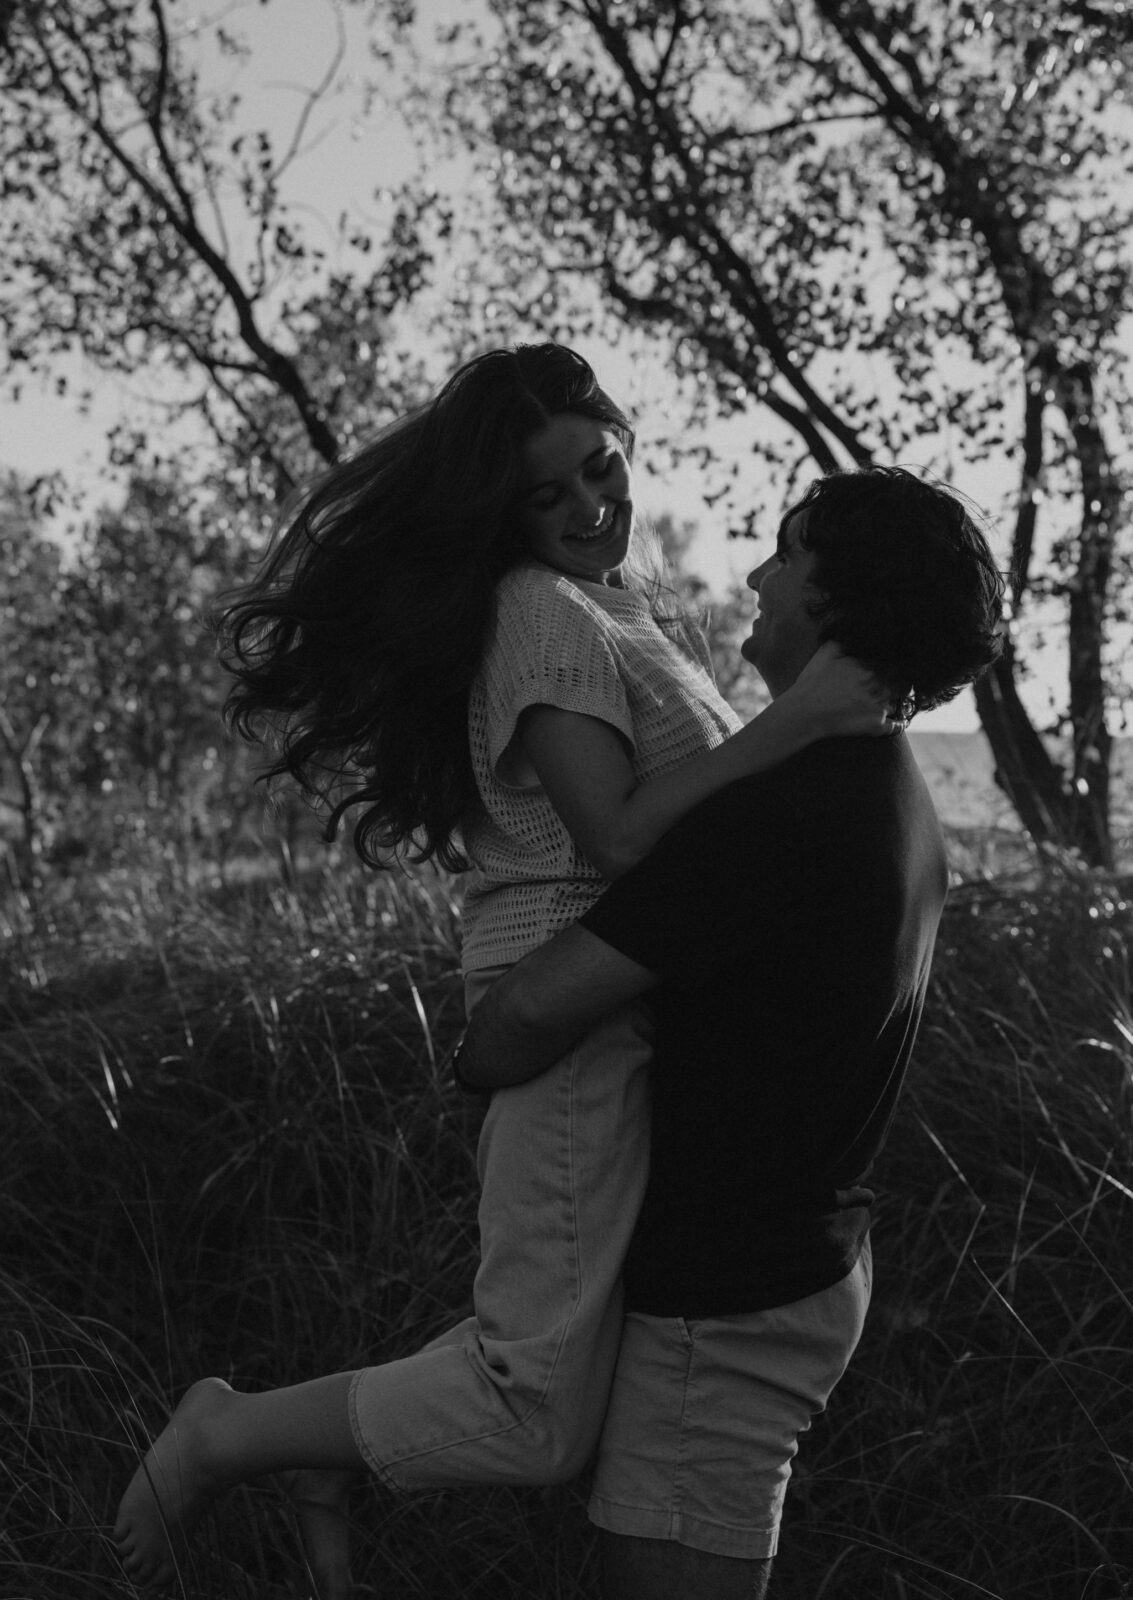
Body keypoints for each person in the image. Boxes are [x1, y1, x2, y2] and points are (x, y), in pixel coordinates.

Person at [114, 345, 892, 1595]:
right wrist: (795, 721)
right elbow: (619, 837)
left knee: (559, 1355)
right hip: (564, 997)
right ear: (505, 516)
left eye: (602, 467)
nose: (590, 505)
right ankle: (229, 1431)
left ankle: (321, 1453)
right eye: (548, 494)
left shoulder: (620, 601)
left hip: (621, 999)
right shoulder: (540, 609)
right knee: (532, 1411)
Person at [452, 465, 1005, 1600]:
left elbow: (524, 1017)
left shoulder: (784, 813)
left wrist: (474, 1060)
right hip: (787, 1272)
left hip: (727, 1306)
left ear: (838, 600)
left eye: (786, 555)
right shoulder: (884, 787)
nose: (755, 577)